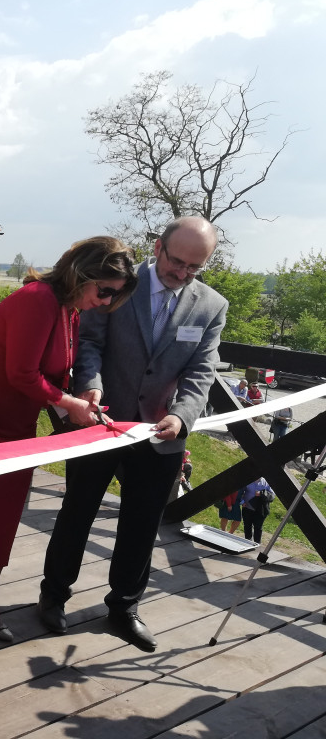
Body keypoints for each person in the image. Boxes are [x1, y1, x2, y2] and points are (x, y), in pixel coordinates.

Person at [0, 237, 137, 648]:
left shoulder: (68, 308)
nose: (107, 301)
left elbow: (54, 371)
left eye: (116, 295)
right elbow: (21, 373)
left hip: (18, 426)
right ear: (83, 274)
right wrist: (68, 402)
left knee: (3, 520)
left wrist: (82, 396)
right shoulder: (37, 299)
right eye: (105, 290)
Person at [37, 215, 228, 652]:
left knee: (142, 525)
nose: (182, 274)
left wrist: (182, 417)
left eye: (193, 268)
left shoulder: (212, 305)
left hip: (159, 434)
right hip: (100, 421)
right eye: (176, 262)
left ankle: (124, 606)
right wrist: (91, 387)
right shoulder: (119, 282)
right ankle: (53, 595)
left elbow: (202, 371)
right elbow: (89, 343)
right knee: (77, 512)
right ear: (158, 246)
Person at [241, 477, 274, 543]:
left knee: (258, 527)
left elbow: (272, 495)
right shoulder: (248, 480)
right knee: (247, 525)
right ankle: (247, 541)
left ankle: (257, 543)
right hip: (247, 507)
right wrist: (242, 501)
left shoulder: (265, 482)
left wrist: (261, 494)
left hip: (260, 509)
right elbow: (240, 491)